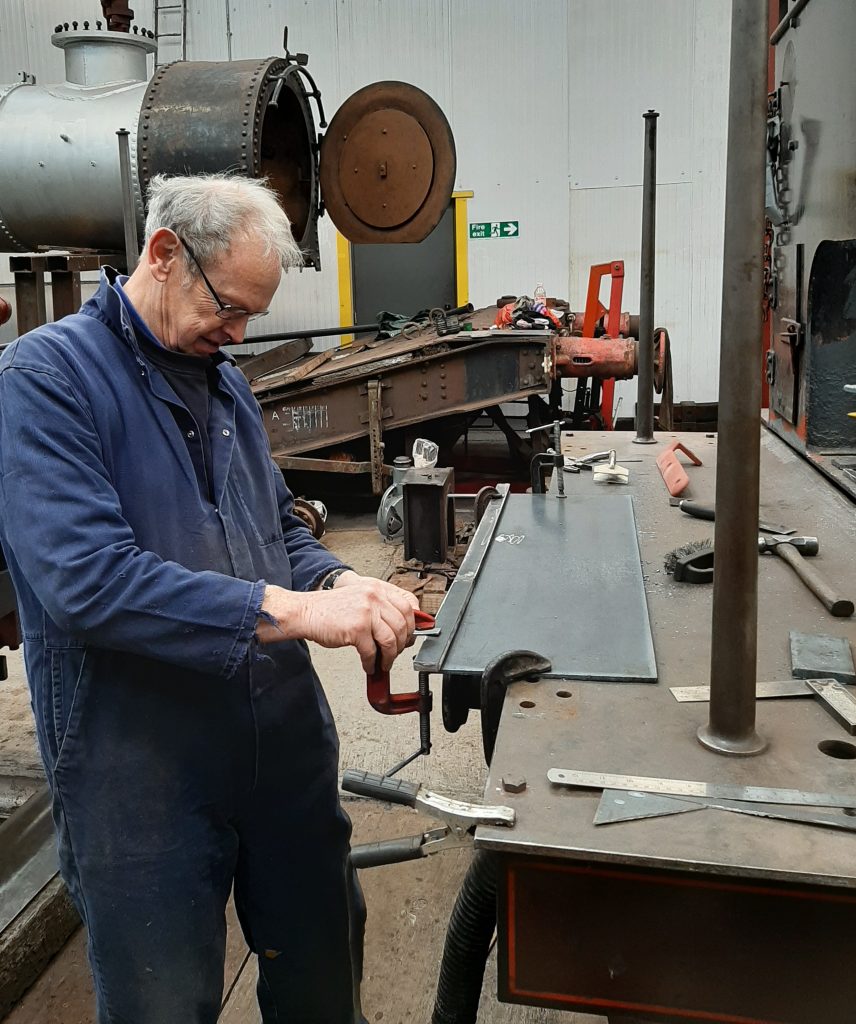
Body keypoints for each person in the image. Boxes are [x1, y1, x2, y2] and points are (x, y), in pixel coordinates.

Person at [0, 173, 419, 1024]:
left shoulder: (222, 381)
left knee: (322, 975)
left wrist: (339, 580)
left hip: (281, 748)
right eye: (229, 307)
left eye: (250, 318)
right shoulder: (45, 379)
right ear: (163, 253)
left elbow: (277, 532)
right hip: (140, 767)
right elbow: (89, 582)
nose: (236, 334)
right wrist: (299, 613)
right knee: (164, 1000)